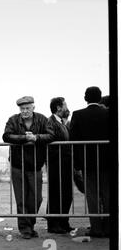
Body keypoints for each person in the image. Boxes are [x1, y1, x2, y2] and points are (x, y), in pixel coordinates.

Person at [2, 96, 53, 239]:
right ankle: (25, 229)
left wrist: (36, 137)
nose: (24, 111)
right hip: (18, 165)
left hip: (35, 165)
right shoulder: (13, 120)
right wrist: (24, 137)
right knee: (21, 199)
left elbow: (51, 135)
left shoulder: (42, 119)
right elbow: (6, 136)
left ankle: (30, 224)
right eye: (22, 108)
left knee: (37, 198)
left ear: (33, 108)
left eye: (27, 108)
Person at [70, 86, 110, 237]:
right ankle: (108, 228)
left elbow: (73, 140)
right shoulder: (108, 114)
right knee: (107, 194)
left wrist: (78, 164)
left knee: (92, 195)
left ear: (85, 98)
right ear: (100, 98)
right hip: (107, 162)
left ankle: (96, 228)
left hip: (88, 162)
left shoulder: (78, 115)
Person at [46, 97, 74, 234]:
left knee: (66, 193)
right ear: (58, 108)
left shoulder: (62, 123)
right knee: (56, 193)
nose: (67, 108)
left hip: (65, 162)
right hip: (57, 163)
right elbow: (51, 142)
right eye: (65, 105)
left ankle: (63, 222)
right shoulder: (51, 122)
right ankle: (54, 224)